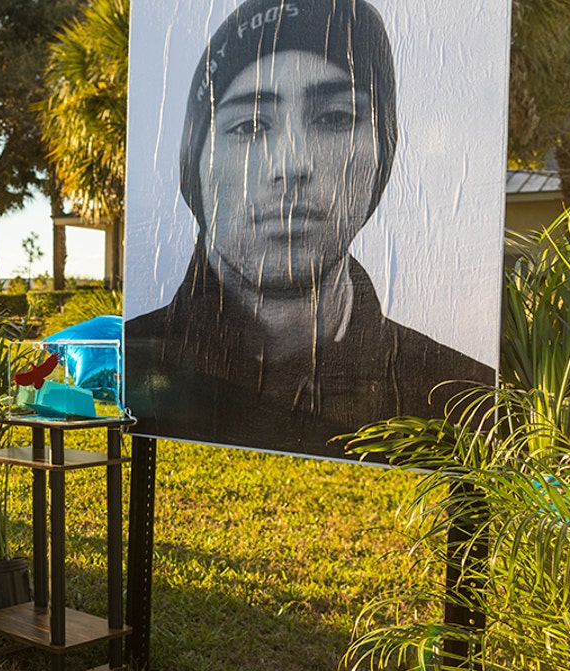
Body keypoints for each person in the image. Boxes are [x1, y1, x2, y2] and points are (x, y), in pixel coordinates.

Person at [124, 0, 494, 459]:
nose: (293, 165)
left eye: (334, 118)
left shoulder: (463, 399)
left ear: (383, 151)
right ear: (193, 163)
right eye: (250, 125)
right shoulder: (130, 367)